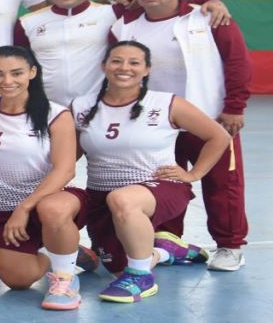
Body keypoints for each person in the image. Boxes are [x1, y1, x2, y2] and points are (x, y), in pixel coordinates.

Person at [110, 0, 252, 271]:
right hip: (154, 122)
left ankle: (229, 246)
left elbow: (237, 62)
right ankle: (168, 239)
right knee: (163, 182)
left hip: (208, 117)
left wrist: (235, 106)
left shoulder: (208, 17)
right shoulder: (126, 23)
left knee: (221, 183)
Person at [73, 41, 231, 302]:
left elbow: (219, 136)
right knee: (116, 266)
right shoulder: (82, 106)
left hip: (157, 186)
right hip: (101, 194)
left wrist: (194, 174)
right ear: (104, 66)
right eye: (116, 61)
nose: (125, 67)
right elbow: (72, 154)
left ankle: (141, 278)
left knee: (123, 201)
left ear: (146, 69)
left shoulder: (167, 103)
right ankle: (167, 251)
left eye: (134, 62)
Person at [0, 46, 91, 310]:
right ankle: (66, 252)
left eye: (17, 73)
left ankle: (65, 279)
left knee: (52, 209)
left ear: (32, 73)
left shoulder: (56, 114)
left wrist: (25, 207)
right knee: (18, 280)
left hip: (52, 198)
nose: (7, 81)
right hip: (2, 208)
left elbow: (65, 170)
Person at [15, 0, 230, 106]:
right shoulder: (28, 22)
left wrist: (210, 0)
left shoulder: (114, 13)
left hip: (99, 106)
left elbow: (164, 1)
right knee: (50, 168)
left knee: (108, 169)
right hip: (48, 108)